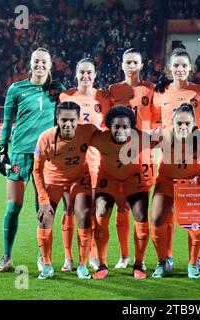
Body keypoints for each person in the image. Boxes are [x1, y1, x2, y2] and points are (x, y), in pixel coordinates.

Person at [0, 47, 65, 272]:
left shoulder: (57, 90)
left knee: (42, 208)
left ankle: (42, 256)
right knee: (13, 206)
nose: (40, 65)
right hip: (18, 154)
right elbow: (7, 122)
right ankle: (6, 256)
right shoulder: (16, 89)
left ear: (50, 65)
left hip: (46, 156)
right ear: (30, 63)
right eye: (36, 61)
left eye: (44, 62)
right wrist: (2, 150)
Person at [152, 48, 200, 273]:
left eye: (184, 65)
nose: (180, 69)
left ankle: (194, 261)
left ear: (190, 68)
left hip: (193, 166)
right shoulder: (160, 92)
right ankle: (165, 260)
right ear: (170, 68)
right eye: (176, 66)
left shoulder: (199, 91)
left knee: (195, 221)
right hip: (168, 163)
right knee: (160, 218)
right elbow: (151, 120)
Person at [58, 58, 110, 272]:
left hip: (95, 161)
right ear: (76, 74)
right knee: (69, 208)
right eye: (82, 72)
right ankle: (68, 258)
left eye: (89, 72)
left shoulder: (103, 98)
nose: (85, 76)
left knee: (93, 211)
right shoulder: (65, 97)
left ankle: (93, 257)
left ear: (95, 75)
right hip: (70, 161)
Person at [150, 103, 200, 279]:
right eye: (179, 123)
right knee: (156, 220)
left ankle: (193, 263)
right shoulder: (163, 134)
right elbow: (138, 144)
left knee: (196, 226)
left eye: (187, 123)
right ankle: (162, 262)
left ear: (194, 123)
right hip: (166, 182)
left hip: (192, 186)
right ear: (172, 123)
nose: (183, 127)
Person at [33, 101, 96, 280]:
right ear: (57, 120)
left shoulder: (88, 131)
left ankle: (82, 265)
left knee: (84, 215)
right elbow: (36, 170)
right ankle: (46, 265)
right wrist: (43, 200)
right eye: (64, 120)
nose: (68, 124)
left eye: (72, 120)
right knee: (44, 218)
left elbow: (107, 139)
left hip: (79, 179)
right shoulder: (45, 138)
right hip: (53, 181)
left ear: (78, 120)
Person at [91, 106, 154, 280]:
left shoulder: (140, 138)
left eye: (125, 127)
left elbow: (168, 139)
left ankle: (138, 264)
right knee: (101, 216)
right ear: (109, 126)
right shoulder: (99, 138)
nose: (120, 131)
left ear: (132, 128)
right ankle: (102, 265)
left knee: (141, 218)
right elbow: (79, 136)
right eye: (116, 127)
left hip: (134, 178)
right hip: (108, 178)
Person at [108, 48, 156, 269]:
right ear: (122, 65)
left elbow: (162, 117)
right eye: (128, 62)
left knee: (140, 207)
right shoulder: (113, 90)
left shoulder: (151, 90)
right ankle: (124, 255)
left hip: (143, 154)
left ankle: (140, 259)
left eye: (135, 62)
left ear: (141, 65)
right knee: (121, 207)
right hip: (119, 154)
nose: (131, 66)